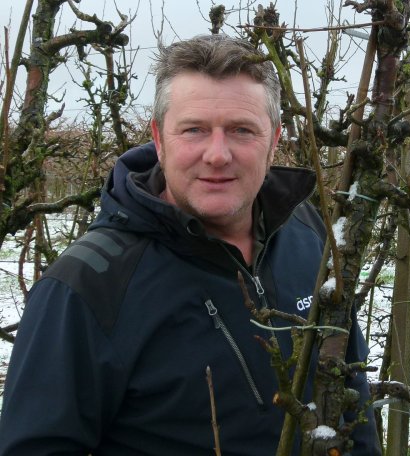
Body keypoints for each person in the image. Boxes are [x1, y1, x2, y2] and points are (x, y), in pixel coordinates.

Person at [0, 35, 380, 455]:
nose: (217, 155)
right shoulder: (88, 286)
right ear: (160, 139)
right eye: (195, 129)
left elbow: (348, 386)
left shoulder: (312, 230)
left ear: (273, 141)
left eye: (241, 130)